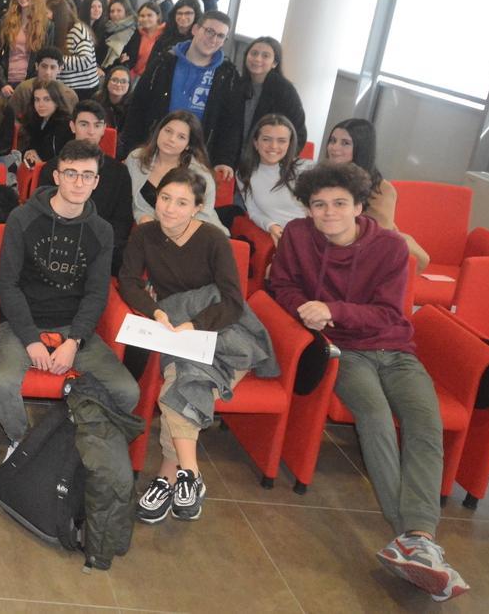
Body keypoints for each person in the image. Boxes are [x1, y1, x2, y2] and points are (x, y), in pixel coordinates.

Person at [267, 163, 467, 601]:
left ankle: (416, 540)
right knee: (375, 419)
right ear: (308, 208)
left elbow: (393, 315)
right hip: (346, 353)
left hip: (396, 351)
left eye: (339, 204)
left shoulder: (392, 247)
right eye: (318, 205)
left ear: (359, 207)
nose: (328, 213)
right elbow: (279, 285)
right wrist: (307, 307)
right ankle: (416, 539)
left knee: (425, 425)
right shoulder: (299, 237)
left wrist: (334, 309)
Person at [120, 168, 274, 524]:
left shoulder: (214, 239)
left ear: (198, 207)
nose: (170, 209)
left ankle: (170, 475)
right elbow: (128, 283)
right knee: (187, 376)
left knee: (178, 382)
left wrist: (196, 323)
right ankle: (186, 476)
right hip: (175, 327)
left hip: (225, 331)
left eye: (182, 202)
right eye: (164, 198)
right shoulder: (144, 235)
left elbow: (233, 301)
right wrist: (154, 310)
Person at [0, 139, 139, 453]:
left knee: (128, 392)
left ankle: (74, 446)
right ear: (56, 176)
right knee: (2, 383)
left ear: (97, 181)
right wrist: (31, 339)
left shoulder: (101, 230)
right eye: (70, 173)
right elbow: (7, 285)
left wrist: (74, 342)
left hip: (72, 327)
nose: (78, 182)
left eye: (87, 175)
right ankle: (22, 446)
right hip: (23, 324)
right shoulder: (22, 218)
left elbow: (98, 294)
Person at [118, 11, 241, 178]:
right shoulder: (163, 63)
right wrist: (130, 149)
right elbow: (138, 107)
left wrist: (225, 159)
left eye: (220, 36)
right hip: (153, 154)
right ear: (195, 29)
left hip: (198, 162)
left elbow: (231, 123)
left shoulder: (228, 75)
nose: (213, 39)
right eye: (209, 31)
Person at [322, 119, 430, 271]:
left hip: (369, 258)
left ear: (361, 149)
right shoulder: (323, 177)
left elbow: (376, 238)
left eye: (345, 143)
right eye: (333, 141)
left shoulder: (381, 189)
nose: (334, 148)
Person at [38, 101, 133, 274]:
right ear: (72, 126)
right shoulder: (52, 169)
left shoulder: (119, 173)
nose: (91, 132)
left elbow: (122, 222)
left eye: (97, 125)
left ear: (104, 129)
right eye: (84, 124)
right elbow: (44, 215)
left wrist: (98, 248)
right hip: (59, 247)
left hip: (102, 249)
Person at [126, 111, 226, 232]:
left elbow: (202, 216)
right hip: (149, 230)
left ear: (188, 145)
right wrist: (142, 216)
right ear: (158, 132)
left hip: (194, 234)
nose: (171, 139)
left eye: (181, 137)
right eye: (168, 131)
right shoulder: (136, 159)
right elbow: (127, 198)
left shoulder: (200, 175)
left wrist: (171, 233)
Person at [236, 114, 311, 246]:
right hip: (284, 238)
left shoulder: (306, 168)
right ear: (255, 142)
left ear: (289, 144)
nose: (273, 146)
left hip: (311, 235)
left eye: (281, 141)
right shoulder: (244, 173)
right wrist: (271, 226)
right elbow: (253, 211)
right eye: (266, 139)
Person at [237, 36, 306, 153]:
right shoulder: (237, 84)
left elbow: (298, 132)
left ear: (274, 63)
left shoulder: (285, 91)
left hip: (268, 158)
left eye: (265, 56)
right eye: (253, 53)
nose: (257, 59)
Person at [0, 0, 53, 97]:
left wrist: (31, 85)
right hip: (7, 83)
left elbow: (46, 58)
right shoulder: (6, 21)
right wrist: (3, 84)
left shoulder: (47, 25)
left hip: (32, 84)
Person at [53, 0, 103, 101]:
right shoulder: (59, 31)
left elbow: (86, 60)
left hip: (82, 88)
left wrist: (56, 60)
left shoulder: (77, 30)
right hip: (67, 86)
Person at [8, 47, 79, 119]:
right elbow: (10, 117)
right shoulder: (24, 89)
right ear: (36, 66)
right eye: (44, 66)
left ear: (60, 69)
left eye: (53, 67)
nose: (48, 72)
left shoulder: (69, 95)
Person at [19, 82, 73, 168]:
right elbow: (27, 145)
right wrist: (28, 153)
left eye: (47, 99)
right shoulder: (35, 118)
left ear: (56, 101)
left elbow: (65, 159)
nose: (41, 105)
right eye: (37, 100)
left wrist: (42, 163)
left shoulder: (66, 125)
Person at [121, 2, 166, 79]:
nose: (145, 19)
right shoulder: (136, 34)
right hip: (133, 76)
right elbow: (126, 55)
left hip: (154, 79)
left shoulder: (165, 35)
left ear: (158, 16)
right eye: (142, 16)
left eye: (149, 15)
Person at [97, 65, 133, 133]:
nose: (118, 84)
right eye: (114, 80)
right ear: (107, 81)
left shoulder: (132, 107)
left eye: (123, 81)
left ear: (129, 85)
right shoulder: (97, 99)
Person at [102, 0, 137, 70]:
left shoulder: (133, 31)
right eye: (112, 11)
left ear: (126, 12)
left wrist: (120, 61)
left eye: (119, 11)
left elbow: (131, 59)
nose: (115, 14)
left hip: (118, 72)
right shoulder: (105, 28)